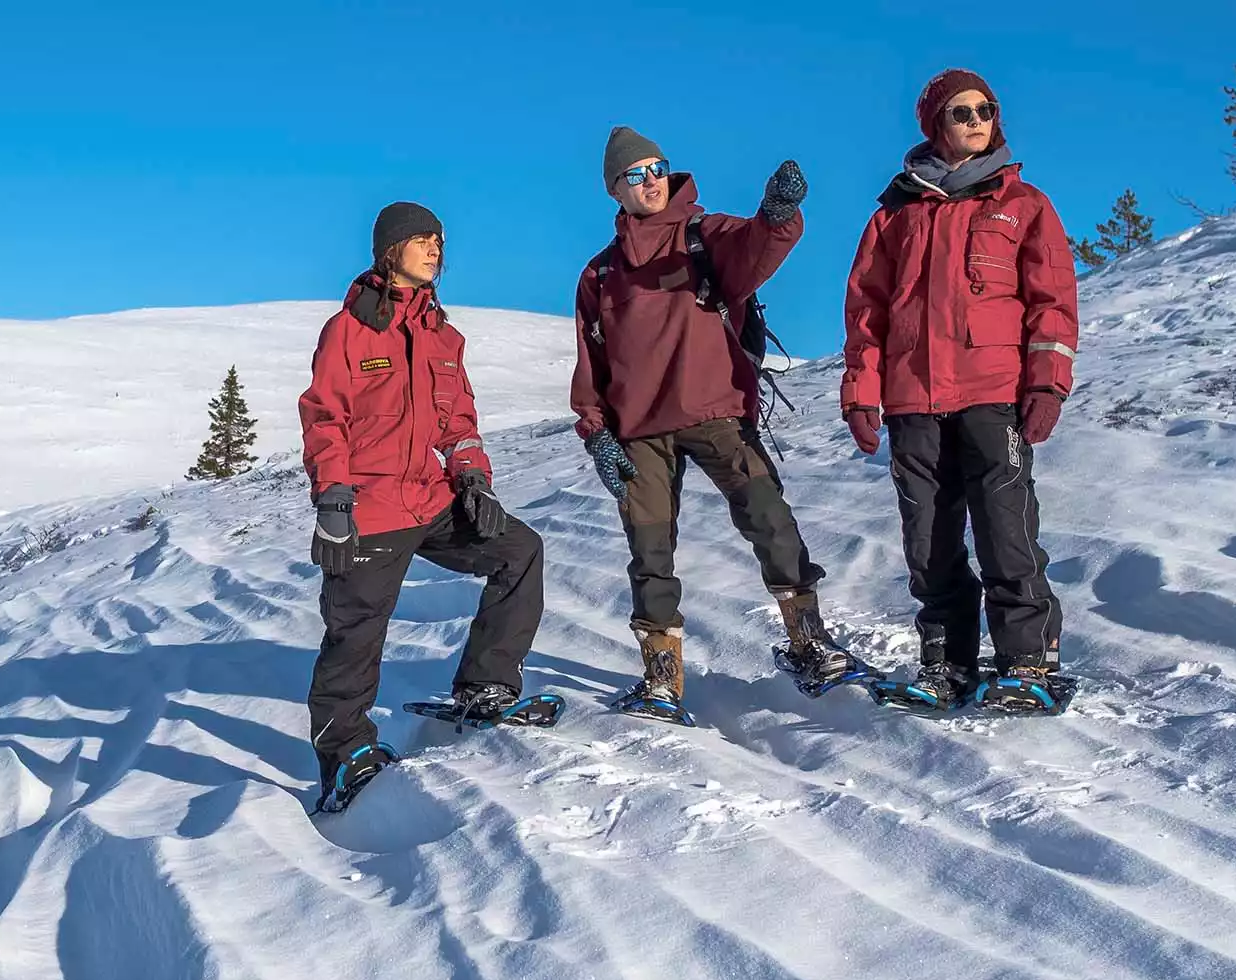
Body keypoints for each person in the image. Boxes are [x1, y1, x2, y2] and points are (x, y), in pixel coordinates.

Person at [572, 126, 859, 716]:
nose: (651, 180)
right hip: (638, 431)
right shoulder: (600, 274)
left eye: (658, 167)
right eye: (635, 173)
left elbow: (759, 247)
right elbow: (591, 360)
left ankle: (809, 641)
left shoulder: (705, 236)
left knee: (769, 519)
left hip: (716, 412)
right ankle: (661, 676)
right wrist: (596, 432)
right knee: (649, 548)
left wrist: (777, 214)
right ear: (614, 190)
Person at [841, 69, 1078, 709]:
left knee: (1006, 530)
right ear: (934, 125)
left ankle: (1028, 660)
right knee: (929, 541)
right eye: (960, 112)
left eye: (985, 109)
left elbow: (1052, 303)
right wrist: (862, 392)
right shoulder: (893, 216)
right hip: (913, 400)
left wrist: (1048, 384)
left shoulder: (1023, 204)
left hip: (993, 391)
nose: (975, 120)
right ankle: (947, 664)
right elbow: (867, 313)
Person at [298, 202, 546, 810]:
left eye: (439, 240)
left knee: (520, 551)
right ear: (390, 251)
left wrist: (474, 481)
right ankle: (344, 755)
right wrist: (333, 498)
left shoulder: (442, 334)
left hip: (430, 499)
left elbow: (457, 421)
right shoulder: (349, 330)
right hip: (370, 507)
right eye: (421, 240)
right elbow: (325, 417)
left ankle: (485, 688)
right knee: (354, 634)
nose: (435, 249)